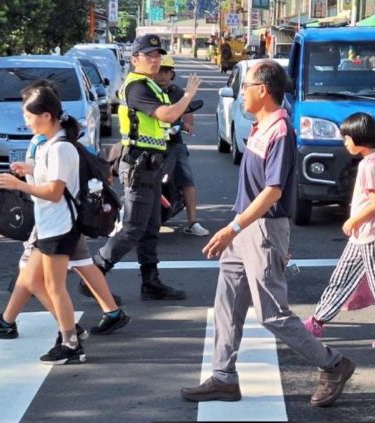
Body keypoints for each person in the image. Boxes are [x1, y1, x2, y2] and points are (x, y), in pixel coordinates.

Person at [180, 60, 356, 407]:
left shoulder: (280, 131)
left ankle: (333, 363)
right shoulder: (261, 125)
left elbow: (273, 191)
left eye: (245, 86)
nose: (241, 92)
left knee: (272, 313)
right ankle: (223, 377)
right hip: (245, 226)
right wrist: (234, 228)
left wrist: (233, 227)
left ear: (263, 90)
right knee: (227, 304)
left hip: (261, 228)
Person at [93, 34, 201, 301]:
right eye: (149, 56)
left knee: (151, 225)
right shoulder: (137, 87)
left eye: (157, 56)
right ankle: (95, 273)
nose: (155, 60)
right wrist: (188, 94)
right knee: (132, 227)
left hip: (150, 163)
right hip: (138, 164)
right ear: (134, 60)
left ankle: (150, 282)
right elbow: (166, 114)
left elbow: (163, 121)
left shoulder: (150, 85)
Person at [0, 83, 87, 364]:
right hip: (48, 225)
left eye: (29, 116)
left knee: (55, 287)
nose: (26, 121)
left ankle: (71, 343)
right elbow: (50, 179)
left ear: (46, 116)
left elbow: (54, 191)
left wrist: (16, 183)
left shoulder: (59, 149)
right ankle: (70, 329)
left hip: (59, 227)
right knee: (32, 280)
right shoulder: (49, 147)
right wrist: (30, 170)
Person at [302, 112, 375, 351]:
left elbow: (374, 204)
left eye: (346, 138)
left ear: (359, 138)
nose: (344, 143)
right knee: (341, 278)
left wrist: (352, 221)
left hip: (371, 234)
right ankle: (317, 321)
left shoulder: (371, 165)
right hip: (363, 234)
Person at [154, 54, 209, 236]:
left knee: (186, 178)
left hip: (173, 142)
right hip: (148, 144)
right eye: (160, 71)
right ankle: (125, 218)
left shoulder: (177, 92)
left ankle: (192, 222)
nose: (162, 75)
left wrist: (186, 124)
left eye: (167, 71)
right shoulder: (146, 90)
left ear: (172, 74)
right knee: (133, 178)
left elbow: (189, 115)